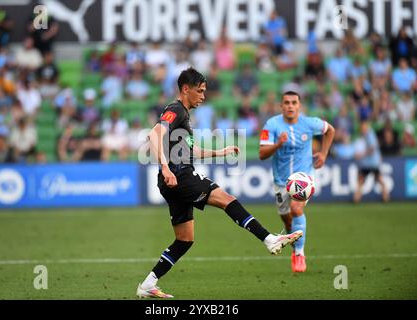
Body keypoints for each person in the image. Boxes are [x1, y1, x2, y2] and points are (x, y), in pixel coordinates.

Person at [136, 68, 303, 299]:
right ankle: (269, 239)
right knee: (227, 200)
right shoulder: (176, 110)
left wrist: (220, 152)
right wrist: (165, 168)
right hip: (180, 176)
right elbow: (154, 135)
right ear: (186, 89)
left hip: (173, 180)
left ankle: (148, 283)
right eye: (200, 91)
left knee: (185, 239)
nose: (203, 96)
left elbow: (188, 151)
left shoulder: (183, 114)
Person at [259, 91, 335, 273]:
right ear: (281, 106)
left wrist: (324, 153)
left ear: (299, 105)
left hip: (304, 178)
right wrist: (278, 144)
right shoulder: (272, 124)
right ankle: (295, 246)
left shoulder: (309, 123)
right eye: (286, 102)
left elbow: (330, 130)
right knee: (287, 221)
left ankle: (300, 253)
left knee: (296, 209)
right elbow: (262, 154)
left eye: (294, 102)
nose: (290, 106)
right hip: (281, 181)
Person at [353, 121, 390, 203]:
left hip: (372, 162)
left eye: (363, 128)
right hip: (369, 163)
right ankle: (357, 198)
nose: (362, 130)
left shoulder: (370, 135)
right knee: (366, 179)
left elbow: (372, 148)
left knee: (373, 179)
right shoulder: (367, 135)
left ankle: (385, 196)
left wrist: (362, 154)